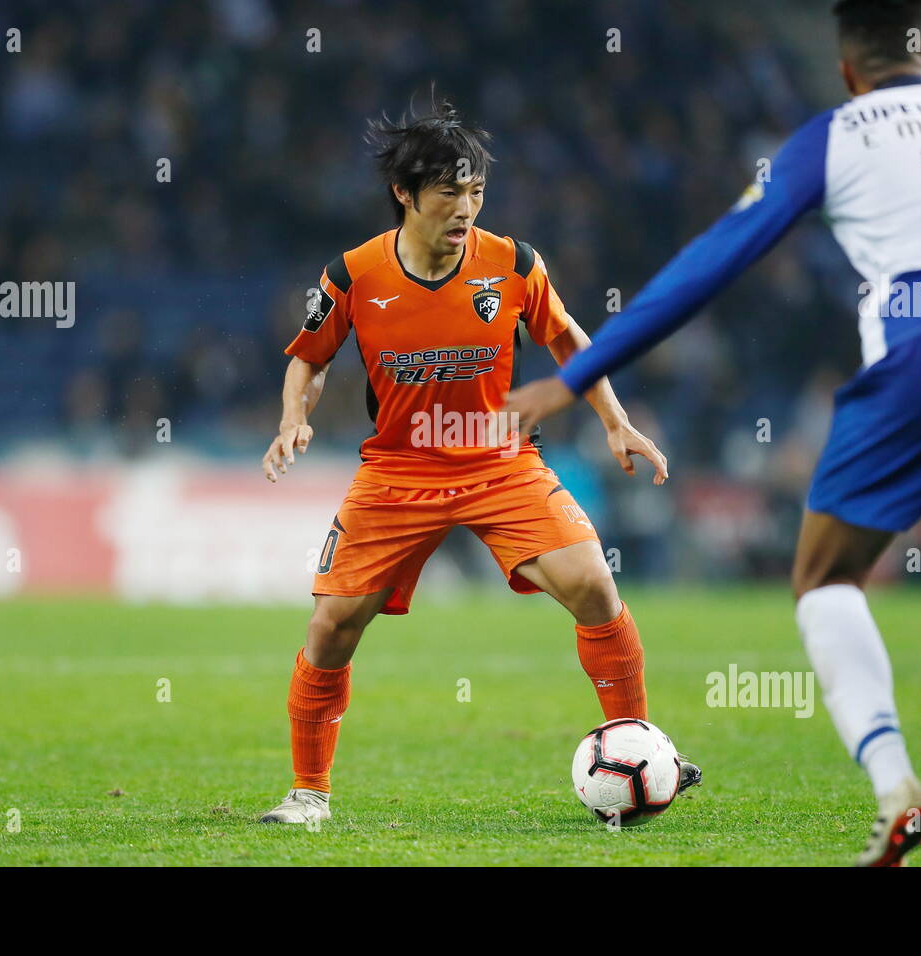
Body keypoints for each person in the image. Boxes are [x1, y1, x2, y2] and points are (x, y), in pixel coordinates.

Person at [505, 0, 921, 866]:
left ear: (847, 74)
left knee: (825, 575)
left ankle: (898, 789)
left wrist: (571, 379)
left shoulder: (837, 133)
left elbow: (714, 262)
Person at [258, 99, 691, 825]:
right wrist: (292, 418)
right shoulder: (355, 274)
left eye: (477, 191)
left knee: (592, 582)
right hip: (399, 469)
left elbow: (567, 337)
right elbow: (309, 358)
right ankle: (309, 795)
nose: (467, 209)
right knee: (332, 627)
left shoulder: (513, 262)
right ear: (405, 193)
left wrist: (616, 422)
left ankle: (642, 744)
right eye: (449, 193)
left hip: (498, 459)